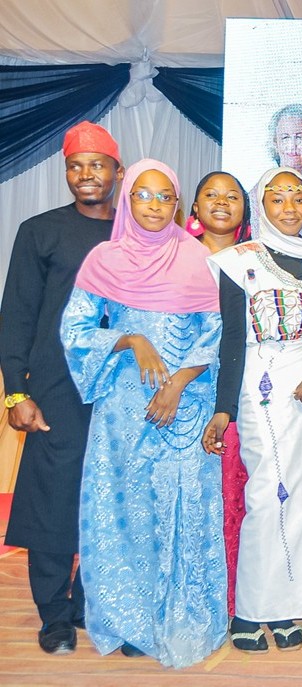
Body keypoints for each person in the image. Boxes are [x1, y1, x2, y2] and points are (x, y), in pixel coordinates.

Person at [59, 159, 226, 667]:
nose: (154, 206)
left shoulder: (198, 257)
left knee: (182, 510)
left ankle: (179, 615)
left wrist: (177, 383)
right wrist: (130, 339)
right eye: (143, 195)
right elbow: (75, 330)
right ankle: (132, 619)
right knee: (129, 512)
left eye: (164, 197)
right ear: (127, 198)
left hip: (186, 405)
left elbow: (215, 333)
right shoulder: (103, 259)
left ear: (177, 204)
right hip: (124, 411)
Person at [203, 168, 302, 652]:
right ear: (261, 205)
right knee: (269, 497)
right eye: (278, 198)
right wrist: (224, 408)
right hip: (262, 390)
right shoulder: (238, 261)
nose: (289, 208)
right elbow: (233, 340)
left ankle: (286, 605)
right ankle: (250, 611)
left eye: (297, 198)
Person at [0, 121, 122, 656]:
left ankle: (87, 603)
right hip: (55, 387)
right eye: (75, 166)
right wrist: (15, 392)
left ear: (118, 172)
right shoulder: (40, 231)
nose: (85, 174)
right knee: (53, 497)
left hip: (120, 390)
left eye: (97, 165)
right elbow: (17, 315)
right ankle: (53, 614)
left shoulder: (135, 234)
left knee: (111, 497)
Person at [186, 171, 253, 618]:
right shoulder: (176, 256)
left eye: (232, 196)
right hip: (183, 391)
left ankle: (233, 598)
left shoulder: (256, 261)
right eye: (211, 195)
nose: (222, 202)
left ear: (245, 209)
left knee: (235, 495)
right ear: (194, 207)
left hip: (242, 391)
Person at [267, 104, 302, 177]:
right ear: (275, 143)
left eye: (299, 137)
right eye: (285, 138)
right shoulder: (266, 180)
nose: (292, 145)